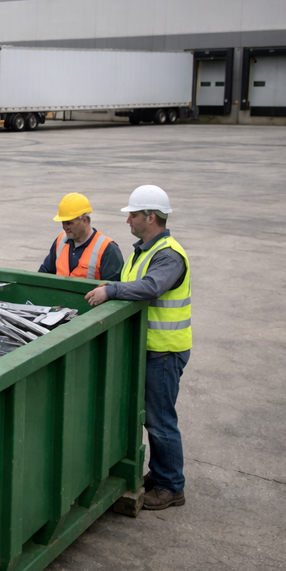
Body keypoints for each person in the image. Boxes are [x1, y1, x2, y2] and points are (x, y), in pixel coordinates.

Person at [85, 185, 191, 510]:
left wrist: (112, 290)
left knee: (160, 420)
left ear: (150, 217)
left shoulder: (169, 254)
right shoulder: (142, 250)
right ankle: (159, 475)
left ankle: (172, 486)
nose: (128, 219)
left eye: (132, 214)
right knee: (150, 418)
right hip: (147, 349)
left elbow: (151, 286)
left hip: (164, 350)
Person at [39, 193, 123, 281]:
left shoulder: (108, 249)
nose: (64, 227)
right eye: (63, 222)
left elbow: (112, 289)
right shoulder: (60, 241)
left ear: (85, 221)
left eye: (69, 223)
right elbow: (44, 274)